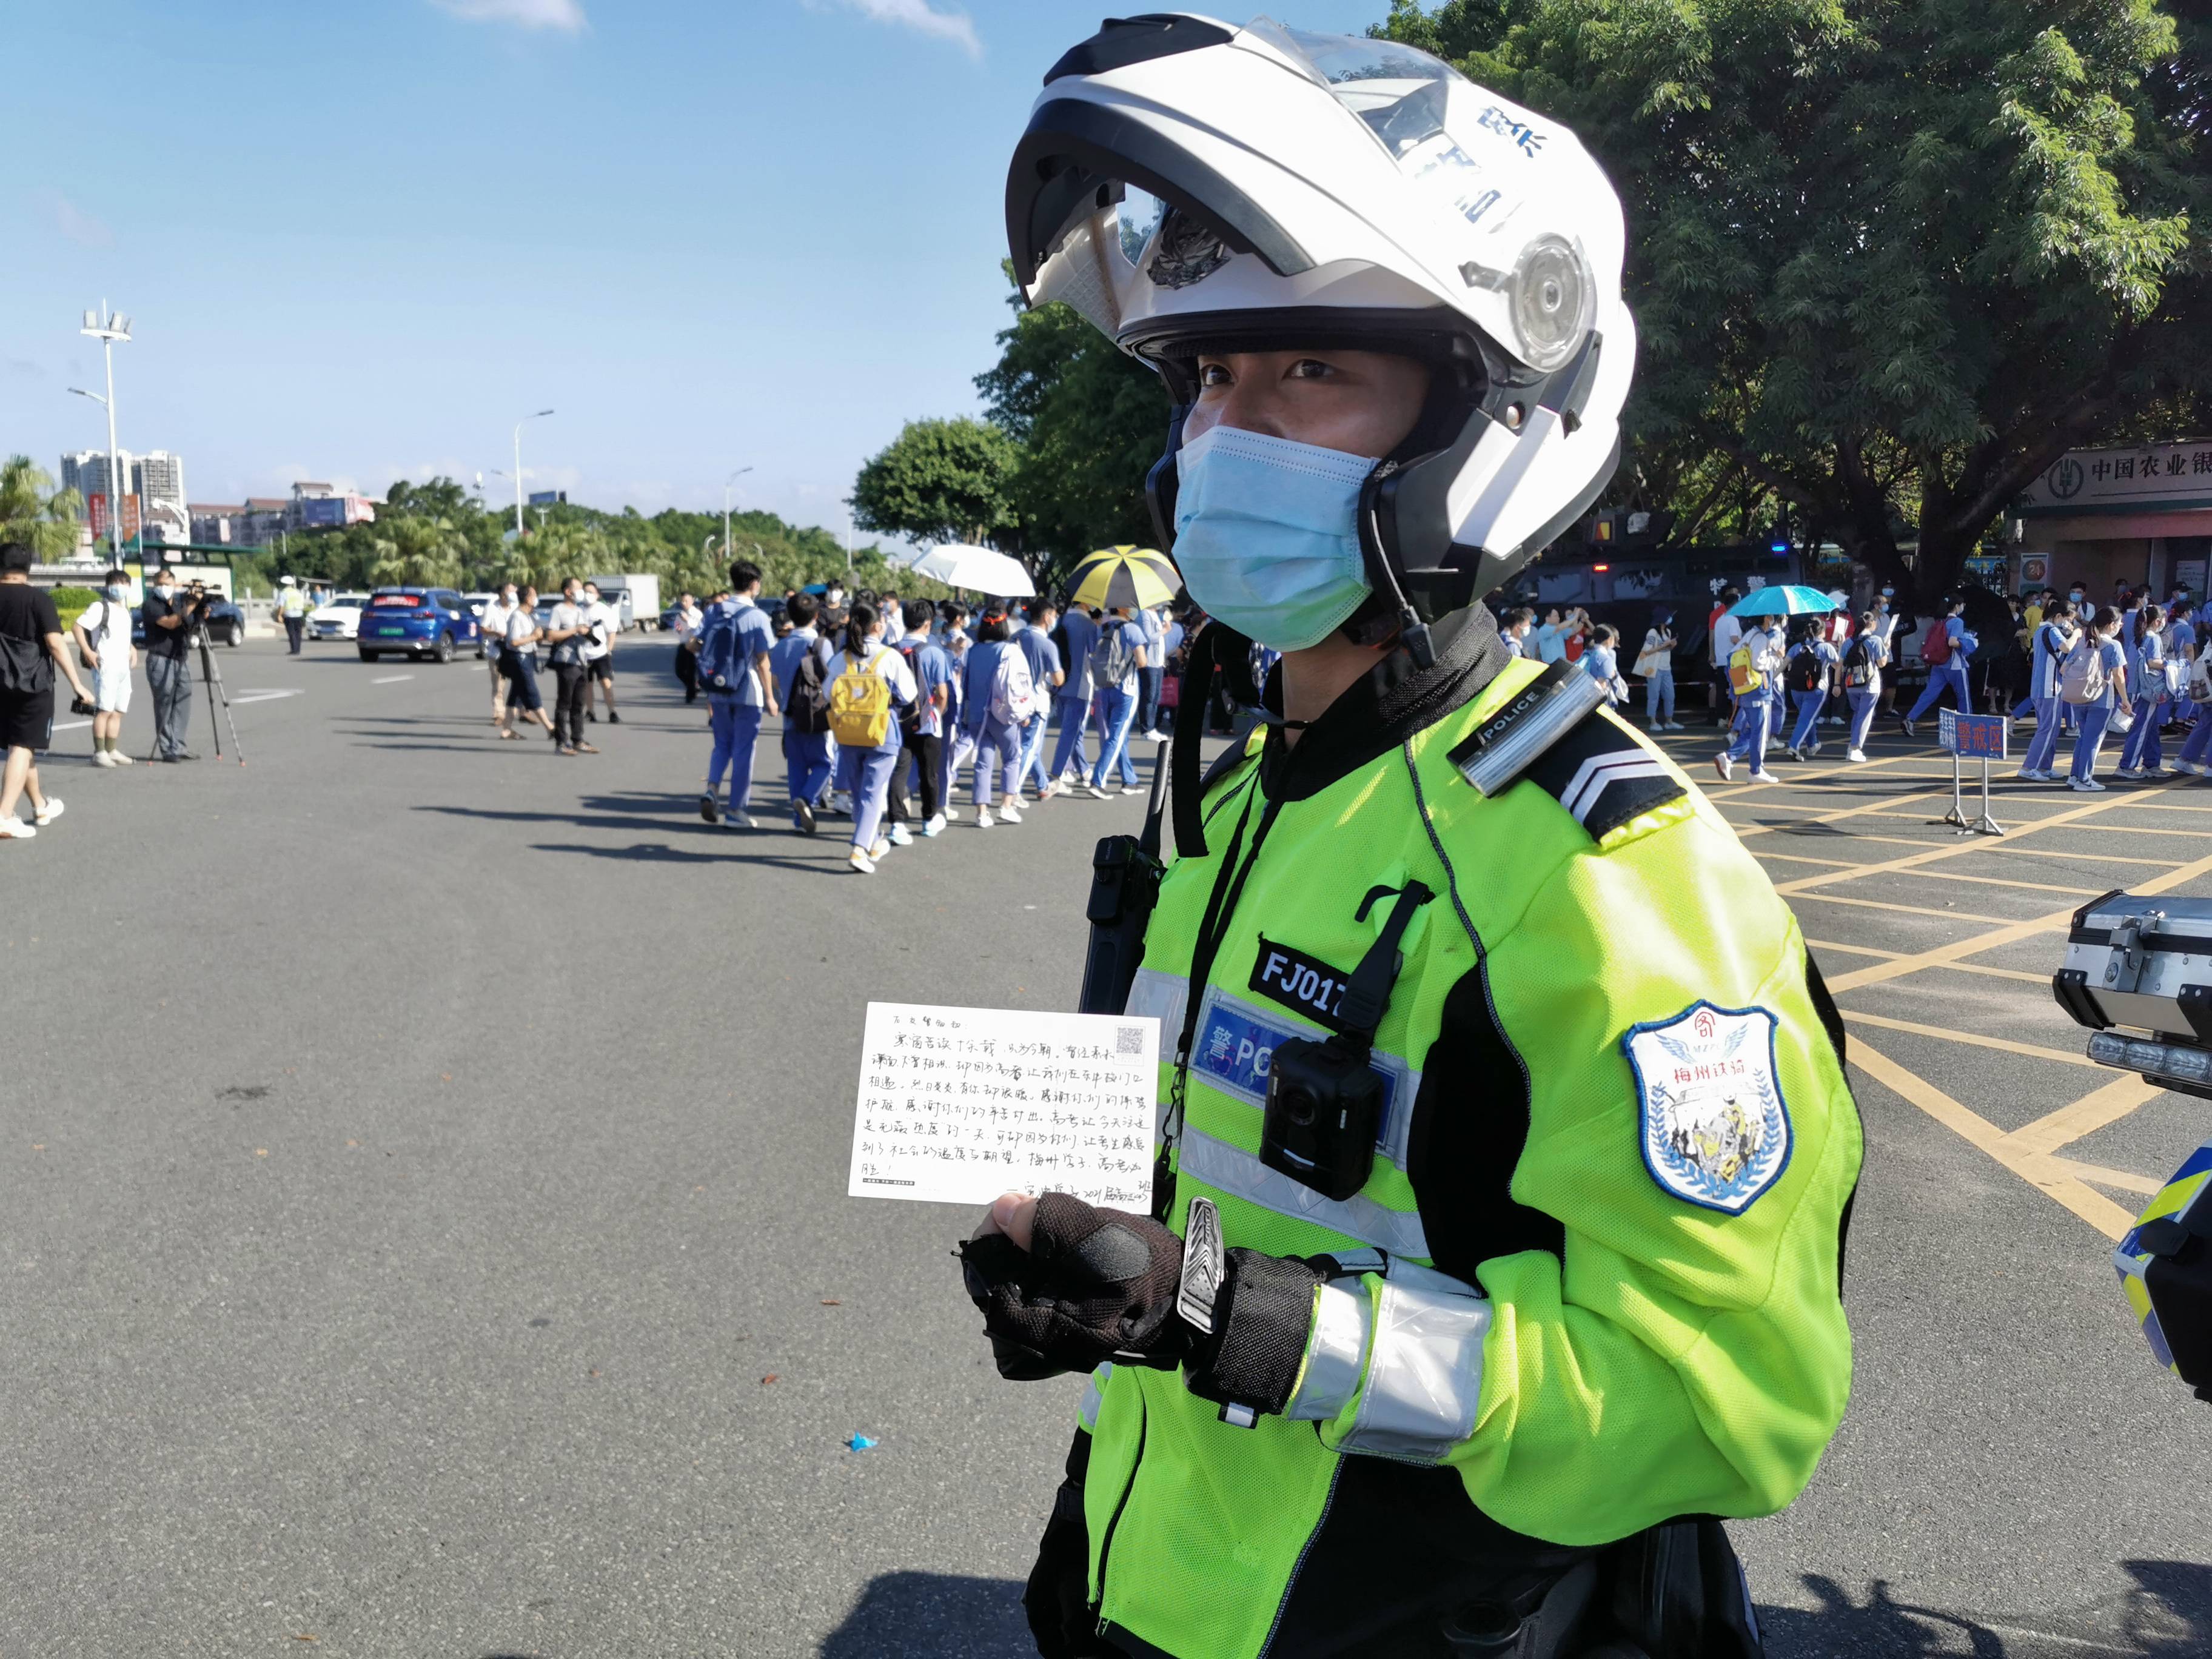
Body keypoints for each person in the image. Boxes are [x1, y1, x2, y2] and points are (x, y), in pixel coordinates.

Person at [962, 25, 1860, 1658]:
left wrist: (1237, 1316)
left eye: (1308, 369)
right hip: (1146, 1587)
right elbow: (1213, 1193)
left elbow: (1722, 1404)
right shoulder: (1243, 801)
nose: (1227, 432)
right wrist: (1104, 1281)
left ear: (1481, 421)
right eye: (1208, 378)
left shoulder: (1613, 876)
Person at [0, 541, 95, 838]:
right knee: (23, 746)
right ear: (27, 569)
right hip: (33, 683)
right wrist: (78, 684)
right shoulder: (38, 600)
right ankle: (3, 816)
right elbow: (55, 644)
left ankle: (40, 805)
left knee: (22, 746)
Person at [830, 601, 916, 873]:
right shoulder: (888, 657)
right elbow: (910, 694)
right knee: (872, 794)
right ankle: (859, 849)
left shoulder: (841, 658)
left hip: (848, 732)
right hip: (882, 732)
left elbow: (826, 693)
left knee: (860, 794)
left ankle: (874, 839)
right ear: (878, 626)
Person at [693, 560, 779, 828]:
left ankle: (712, 788)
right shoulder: (758, 617)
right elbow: (763, 661)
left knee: (722, 745)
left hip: (717, 689)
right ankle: (736, 810)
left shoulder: (713, 611)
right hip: (747, 691)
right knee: (744, 751)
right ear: (754, 584)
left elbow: (694, 645)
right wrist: (770, 697)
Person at [959, 609, 1034, 829]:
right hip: (1003, 714)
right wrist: (1025, 713)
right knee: (1012, 757)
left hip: (977, 715)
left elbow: (965, 684)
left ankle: (982, 813)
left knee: (983, 763)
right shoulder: (1011, 650)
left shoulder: (973, 651)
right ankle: (1006, 805)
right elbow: (1021, 685)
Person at [766, 592, 834, 833]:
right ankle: (807, 799)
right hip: (816, 715)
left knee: (796, 765)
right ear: (817, 616)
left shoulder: (782, 646)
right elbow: (831, 680)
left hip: (790, 714)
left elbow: (775, 682)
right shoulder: (822, 645)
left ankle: (799, 818)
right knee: (823, 764)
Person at [892, 598, 954, 835]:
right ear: (928, 624)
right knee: (930, 772)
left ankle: (897, 822)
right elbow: (942, 693)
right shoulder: (935, 653)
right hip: (928, 723)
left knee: (899, 771)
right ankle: (929, 819)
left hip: (897, 721)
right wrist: (936, 713)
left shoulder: (891, 650)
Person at [139, 566, 204, 762]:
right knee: (164, 703)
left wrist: (200, 610)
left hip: (180, 657)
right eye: (159, 584)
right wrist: (190, 607)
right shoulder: (151, 604)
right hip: (160, 658)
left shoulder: (178, 603)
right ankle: (168, 748)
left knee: (183, 700)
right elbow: (169, 623)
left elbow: (189, 625)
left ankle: (179, 744)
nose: (162, 587)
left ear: (174, 584)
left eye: (166, 584)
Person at [73, 569, 138, 767]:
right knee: (104, 710)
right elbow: (77, 627)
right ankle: (99, 752)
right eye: (116, 582)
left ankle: (112, 749)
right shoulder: (100, 607)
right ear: (108, 585)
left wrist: (132, 649)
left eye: (124, 583)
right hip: (106, 665)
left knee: (118, 710)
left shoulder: (124, 610)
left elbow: (122, 636)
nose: (120, 587)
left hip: (123, 667)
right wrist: (88, 652)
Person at [2063, 606, 2131, 791]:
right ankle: (2085, 780)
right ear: (2111, 625)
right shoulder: (2113, 646)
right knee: (2093, 740)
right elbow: (2119, 675)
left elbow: (2064, 669)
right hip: (2102, 699)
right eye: (2119, 623)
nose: (2120, 626)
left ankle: (2075, 776)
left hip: (2078, 697)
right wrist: (2125, 700)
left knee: (2083, 737)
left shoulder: (2083, 642)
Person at [1714, 607, 1783, 783]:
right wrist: (1777, 658)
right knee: (1760, 732)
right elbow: (1759, 664)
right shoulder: (1760, 638)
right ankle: (1756, 771)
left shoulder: (1749, 635)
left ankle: (1728, 758)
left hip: (1746, 689)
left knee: (1752, 730)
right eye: (1772, 616)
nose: (1774, 618)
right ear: (1767, 618)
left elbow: (1734, 656)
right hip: (1759, 690)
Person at [1085, 604, 1148, 797]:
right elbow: (1142, 661)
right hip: (1126, 689)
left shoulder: (1102, 628)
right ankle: (1098, 781)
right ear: (1123, 609)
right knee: (1116, 737)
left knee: (1120, 736)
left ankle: (1129, 780)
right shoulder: (1132, 629)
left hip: (1105, 687)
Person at [2016, 599, 2077, 780]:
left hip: (2041, 687)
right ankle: (2029, 767)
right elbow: (2067, 647)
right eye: (2069, 619)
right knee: (2048, 729)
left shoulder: (2042, 630)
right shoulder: (2051, 631)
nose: (2070, 624)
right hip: (2049, 687)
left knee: (2050, 728)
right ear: (2058, 616)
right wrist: (2077, 635)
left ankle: (2044, 767)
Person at [2115, 602, 2174, 781]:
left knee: (2150, 729)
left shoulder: (2137, 638)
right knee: (2141, 729)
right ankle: (2127, 766)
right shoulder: (2154, 638)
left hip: (2136, 688)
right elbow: (2153, 662)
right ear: (2158, 621)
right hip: (2148, 690)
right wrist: (2172, 665)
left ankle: (2152, 763)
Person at [1900, 594, 1974, 736]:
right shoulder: (1958, 622)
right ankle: (1967, 726)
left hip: (1939, 664)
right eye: (1962, 605)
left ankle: (1910, 718)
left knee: (1929, 693)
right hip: (1955, 665)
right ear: (1958, 607)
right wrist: (1968, 644)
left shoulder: (1942, 621)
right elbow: (1952, 642)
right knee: (1963, 696)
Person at [1016, 599, 1065, 800]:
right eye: (1054, 615)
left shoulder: (1016, 637)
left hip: (1016, 699)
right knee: (1030, 746)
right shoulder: (1047, 645)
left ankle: (1043, 785)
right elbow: (1058, 679)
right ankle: (1013, 790)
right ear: (1046, 617)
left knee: (1029, 745)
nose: (1055, 619)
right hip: (1037, 700)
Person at [543, 577, 597, 757]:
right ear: (568, 591)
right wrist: (574, 630)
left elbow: (584, 633)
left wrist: (588, 632)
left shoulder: (580, 610)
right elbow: (551, 635)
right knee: (564, 704)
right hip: (566, 662)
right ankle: (561, 742)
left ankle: (578, 739)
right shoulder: (559, 610)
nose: (583, 593)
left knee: (578, 704)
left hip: (581, 661)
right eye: (579, 589)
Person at [1049, 603, 1101, 786]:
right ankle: (1056, 773)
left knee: (1073, 730)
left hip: (1060, 682)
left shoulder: (1060, 620)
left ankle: (1084, 768)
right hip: (1081, 685)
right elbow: (1096, 654)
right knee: (1071, 731)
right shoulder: (1088, 625)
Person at [498, 585, 558, 743]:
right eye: (534, 595)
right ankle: (550, 728)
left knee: (516, 695)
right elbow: (514, 641)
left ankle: (506, 730)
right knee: (532, 692)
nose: (536, 598)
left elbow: (534, 637)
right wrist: (533, 637)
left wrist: (538, 637)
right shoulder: (517, 616)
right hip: (519, 658)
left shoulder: (530, 616)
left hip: (529, 656)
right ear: (527, 598)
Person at [1783, 614, 1839, 760]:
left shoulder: (1797, 647)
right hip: (1817, 688)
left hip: (1796, 689)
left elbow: (1784, 664)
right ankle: (1794, 746)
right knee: (1806, 719)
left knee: (1808, 716)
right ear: (1823, 632)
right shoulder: (1827, 647)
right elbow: (1838, 665)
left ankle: (1812, 744)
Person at [1841, 607, 1890, 763]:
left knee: (1857, 714)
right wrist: (1887, 648)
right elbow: (1882, 664)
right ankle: (1855, 748)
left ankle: (1852, 746)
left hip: (1851, 684)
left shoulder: (1849, 641)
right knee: (1865, 717)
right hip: (1870, 684)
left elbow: (1841, 664)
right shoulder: (1876, 640)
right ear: (1871, 624)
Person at [581, 580, 620, 724]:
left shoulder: (602, 609)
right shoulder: (580, 610)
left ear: (597, 594)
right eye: (585, 592)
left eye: (591, 592)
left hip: (601, 653)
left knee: (605, 682)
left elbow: (612, 631)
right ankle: (590, 712)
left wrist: (609, 650)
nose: (588, 595)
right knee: (587, 684)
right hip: (584, 654)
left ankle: (612, 712)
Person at [1633, 608, 1678, 729]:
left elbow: (1666, 650)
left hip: (1666, 668)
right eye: (1668, 616)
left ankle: (1669, 721)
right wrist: (1662, 646)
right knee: (1654, 695)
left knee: (1670, 695)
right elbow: (1647, 650)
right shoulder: (1652, 633)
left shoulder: (1668, 631)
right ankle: (1653, 722)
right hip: (1654, 668)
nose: (1670, 619)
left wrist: (1672, 646)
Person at [481, 583, 516, 727]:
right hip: (497, 651)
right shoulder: (491, 608)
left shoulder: (517, 608)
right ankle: (498, 714)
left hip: (515, 650)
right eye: (511, 591)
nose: (514, 594)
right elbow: (483, 628)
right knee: (498, 686)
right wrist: (496, 633)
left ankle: (523, 711)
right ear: (502, 594)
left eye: (515, 591)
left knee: (521, 683)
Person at [1707, 586, 1743, 726]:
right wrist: (1747, 643)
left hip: (1721, 660)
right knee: (1737, 691)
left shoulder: (1720, 620)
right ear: (1734, 605)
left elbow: (1715, 639)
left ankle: (1721, 718)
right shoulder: (1733, 620)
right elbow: (1734, 639)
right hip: (1734, 661)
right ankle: (1735, 719)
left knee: (1721, 691)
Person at [1580, 622, 1627, 705]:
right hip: (1596, 702)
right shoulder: (1606, 659)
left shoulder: (1586, 652)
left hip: (1582, 697)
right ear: (1609, 639)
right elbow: (1601, 684)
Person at [275, 574, 310, 654]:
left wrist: (279, 615)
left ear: (283, 584)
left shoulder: (283, 593)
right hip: (299, 615)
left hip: (289, 615)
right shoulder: (297, 592)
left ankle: (294, 650)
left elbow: (282, 606)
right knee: (298, 633)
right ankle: (298, 649)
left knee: (292, 633)